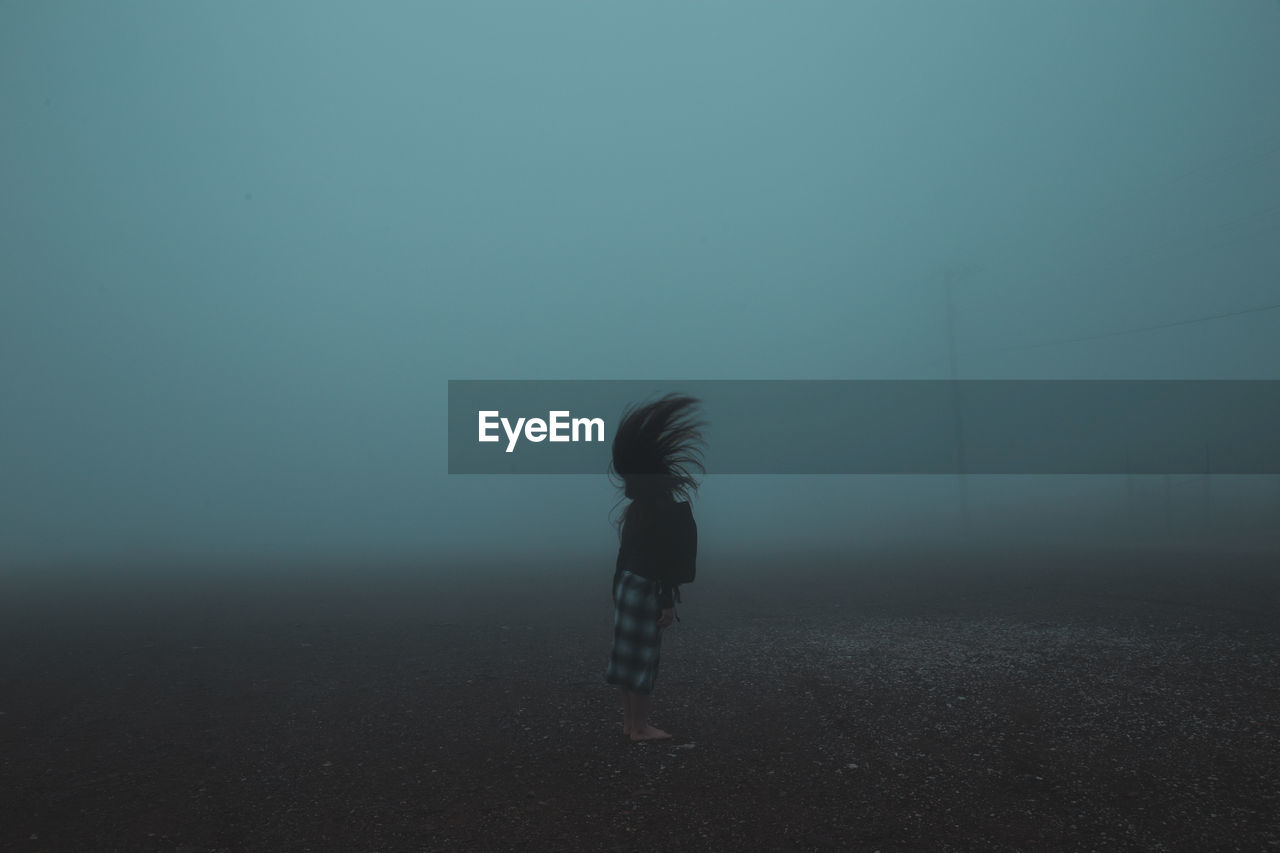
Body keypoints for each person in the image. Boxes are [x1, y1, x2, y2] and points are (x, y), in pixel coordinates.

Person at [603, 393, 703, 742]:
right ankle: (641, 727)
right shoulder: (662, 509)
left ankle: (630, 725)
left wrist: (617, 587)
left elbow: (625, 553)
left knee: (626, 658)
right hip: (645, 588)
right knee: (643, 658)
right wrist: (667, 600)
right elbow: (666, 560)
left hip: (628, 584)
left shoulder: (637, 511)